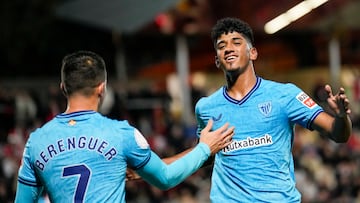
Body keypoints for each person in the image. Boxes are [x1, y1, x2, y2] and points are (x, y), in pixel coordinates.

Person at [14, 50, 234, 203]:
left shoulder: (36, 141)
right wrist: (205, 147)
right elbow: (166, 178)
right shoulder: (121, 134)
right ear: (102, 88)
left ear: (63, 88)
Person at [192, 17, 352, 202]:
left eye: (236, 42)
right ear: (217, 61)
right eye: (221, 46)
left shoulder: (285, 95)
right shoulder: (205, 107)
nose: (228, 49)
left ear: (253, 53)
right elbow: (203, 154)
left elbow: (339, 134)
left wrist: (341, 117)